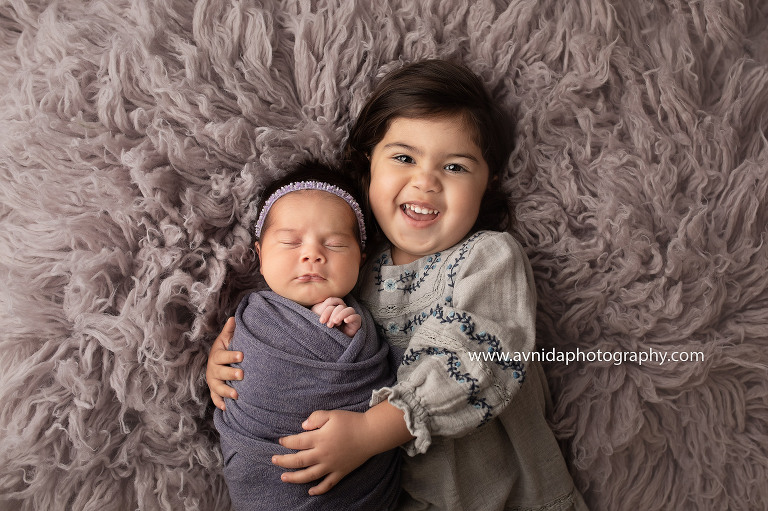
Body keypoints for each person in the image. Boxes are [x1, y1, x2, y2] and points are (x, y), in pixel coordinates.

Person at [208, 60, 588, 511]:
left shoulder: (487, 258)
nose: (425, 181)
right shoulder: (354, 272)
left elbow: (475, 358)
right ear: (368, 165)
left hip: (508, 497)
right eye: (404, 158)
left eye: (455, 167)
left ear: (489, 185)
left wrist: (370, 432)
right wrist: (233, 362)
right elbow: (308, 335)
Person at [213, 162, 401, 511]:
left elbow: (390, 383)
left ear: (361, 259)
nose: (312, 254)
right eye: (290, 241)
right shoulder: (249, 319)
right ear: (259, 254)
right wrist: (215, 367)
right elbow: (233, 372)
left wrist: (352, 340)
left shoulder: (367, 324)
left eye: (334, 244)